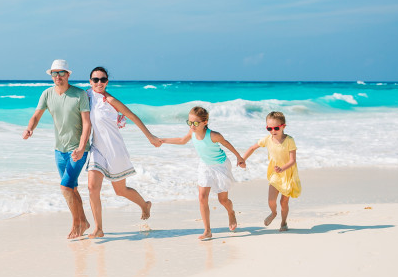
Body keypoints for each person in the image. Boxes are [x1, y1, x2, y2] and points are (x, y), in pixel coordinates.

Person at [85, 67, 162, 238]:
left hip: (115, 150)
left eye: (103, 79)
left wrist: (150, 136)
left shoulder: (111, 100)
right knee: (92, 187)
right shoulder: (86, 96)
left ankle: (144, 205)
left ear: (107, 82)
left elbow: (133, 116)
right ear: (90, 82)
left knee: (120, 190)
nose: (99, 82)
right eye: (95, 79)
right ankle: (98, 228)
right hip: (97, 149)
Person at [23, 59, 92, 239]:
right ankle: (84, 222)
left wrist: (81, 147)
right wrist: (30, 128)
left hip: (78, 149)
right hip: (59, 150)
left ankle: (76, 224)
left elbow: (87, 123)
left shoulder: (79, 95)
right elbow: (36, 116)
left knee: (65, 187)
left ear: (68, 75)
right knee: (72, 188)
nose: (58, 76)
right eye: (54, 73)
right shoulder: (47, 94)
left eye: (61, 73)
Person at [160, 106, 246, 241]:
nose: (192, 126)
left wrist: (239, 157)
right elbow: (182, 140)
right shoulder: (192, 132)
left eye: (195, 123)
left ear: (205, 122)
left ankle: (231, 213)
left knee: (223, 200)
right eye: (189, 122)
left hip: (220, 166)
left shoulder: (213, 135)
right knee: (202, 197)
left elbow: (227, 144)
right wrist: (163, 140)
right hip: (205, 166)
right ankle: (207, 231)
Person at [241, 111, 301, 232]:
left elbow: (292, 160)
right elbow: (252, 148)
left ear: (283, 126)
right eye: (269, 128)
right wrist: (242, 159)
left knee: (284, 202)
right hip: (275, 174)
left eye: (276, 128)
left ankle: (283, 222)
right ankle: (273, 213)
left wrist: (282, 168)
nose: (273, 131)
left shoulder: (289, 140)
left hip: (288, 174)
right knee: (271, 200)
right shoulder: (267, 139)